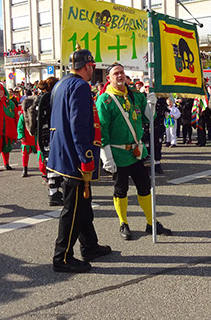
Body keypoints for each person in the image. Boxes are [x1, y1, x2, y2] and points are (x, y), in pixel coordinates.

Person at [47, 48, 111, 273]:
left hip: (62, 152)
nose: (93, 70)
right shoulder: (81, 86)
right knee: (72, 209)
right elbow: (79, 125)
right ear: (87, 66)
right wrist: (86, 157)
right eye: (92, 66)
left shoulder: (61, 84)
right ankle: (62, 257)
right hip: (75, 156)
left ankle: (90, 246)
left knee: (83, 204)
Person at [97, 62, 172, 241]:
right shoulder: (105, 100)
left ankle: (151, 222)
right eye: (116, 73)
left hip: (137, 152)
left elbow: (148, 118)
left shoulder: (135, 95)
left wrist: (151, 104)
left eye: (122, 72)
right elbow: (102, 130)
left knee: (145, 187)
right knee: (121, 190)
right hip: (118, 154)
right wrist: (106, 157)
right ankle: (123, 223)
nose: (120, 76)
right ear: (108, 78)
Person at [36, 77, 63, 206]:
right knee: (52, 165)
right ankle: (53, 193)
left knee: (51, 164)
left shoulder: (43, 97)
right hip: (49, 134)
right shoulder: (48, 97)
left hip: (45, 134)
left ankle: (54, 192)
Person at [17, 96, 38, 178]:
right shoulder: (23, 116)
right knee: (25, 154)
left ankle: (44, 170)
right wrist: (21, 136)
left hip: (36, 138)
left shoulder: (37, 115)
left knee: (41, 155)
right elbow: (20, 126)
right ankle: (25, 169)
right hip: (26, 138)